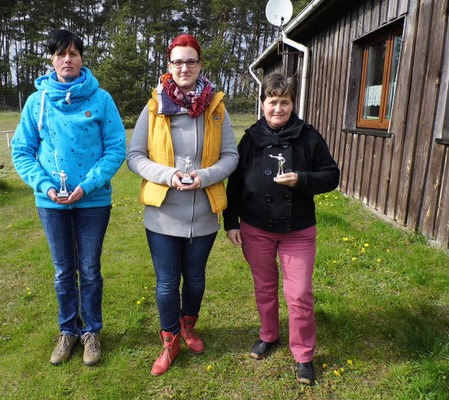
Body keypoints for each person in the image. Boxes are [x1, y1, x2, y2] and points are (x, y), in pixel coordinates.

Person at [11, 29, 126, 366]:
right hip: (51, 203)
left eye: (74, 53)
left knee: (89, 270)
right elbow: (22, 151)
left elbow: (115, 148)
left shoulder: (101, 98)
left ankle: (91, 332)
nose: (67, 59)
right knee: (63, 271)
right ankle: (68, 332)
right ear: (52, 59)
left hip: (93, 202)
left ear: (82, 59)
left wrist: (88, 185)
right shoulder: (37, 102)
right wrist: (45, 185)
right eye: (61, 54)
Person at [127, 33, 239, 376]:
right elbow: (135, 157)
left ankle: (188, 326)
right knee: (165, 283)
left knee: (195, 280)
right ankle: (170, 340)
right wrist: (167, 175)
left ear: (200, 64)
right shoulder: (154, 106)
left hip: (204, 213)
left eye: (191, 61)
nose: (184, 67)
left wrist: (204, 177)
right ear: (169, 65)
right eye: (177, 61)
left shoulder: (216, 108)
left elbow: (231, 155)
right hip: (163, 215)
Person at [223, 73, 339, 385]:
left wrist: (302, 179)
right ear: (262, 104)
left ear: (292, 104)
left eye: (284, 102)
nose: (278, 108)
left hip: (298, 229)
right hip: (255, 227)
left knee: (299, 294)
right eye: (272, 102)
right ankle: (269, 334)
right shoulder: (249, 139)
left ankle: (303, 353)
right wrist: (231, 221)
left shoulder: (309, 137)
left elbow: (331, 176)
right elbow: (234, 183)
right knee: (264, 288)